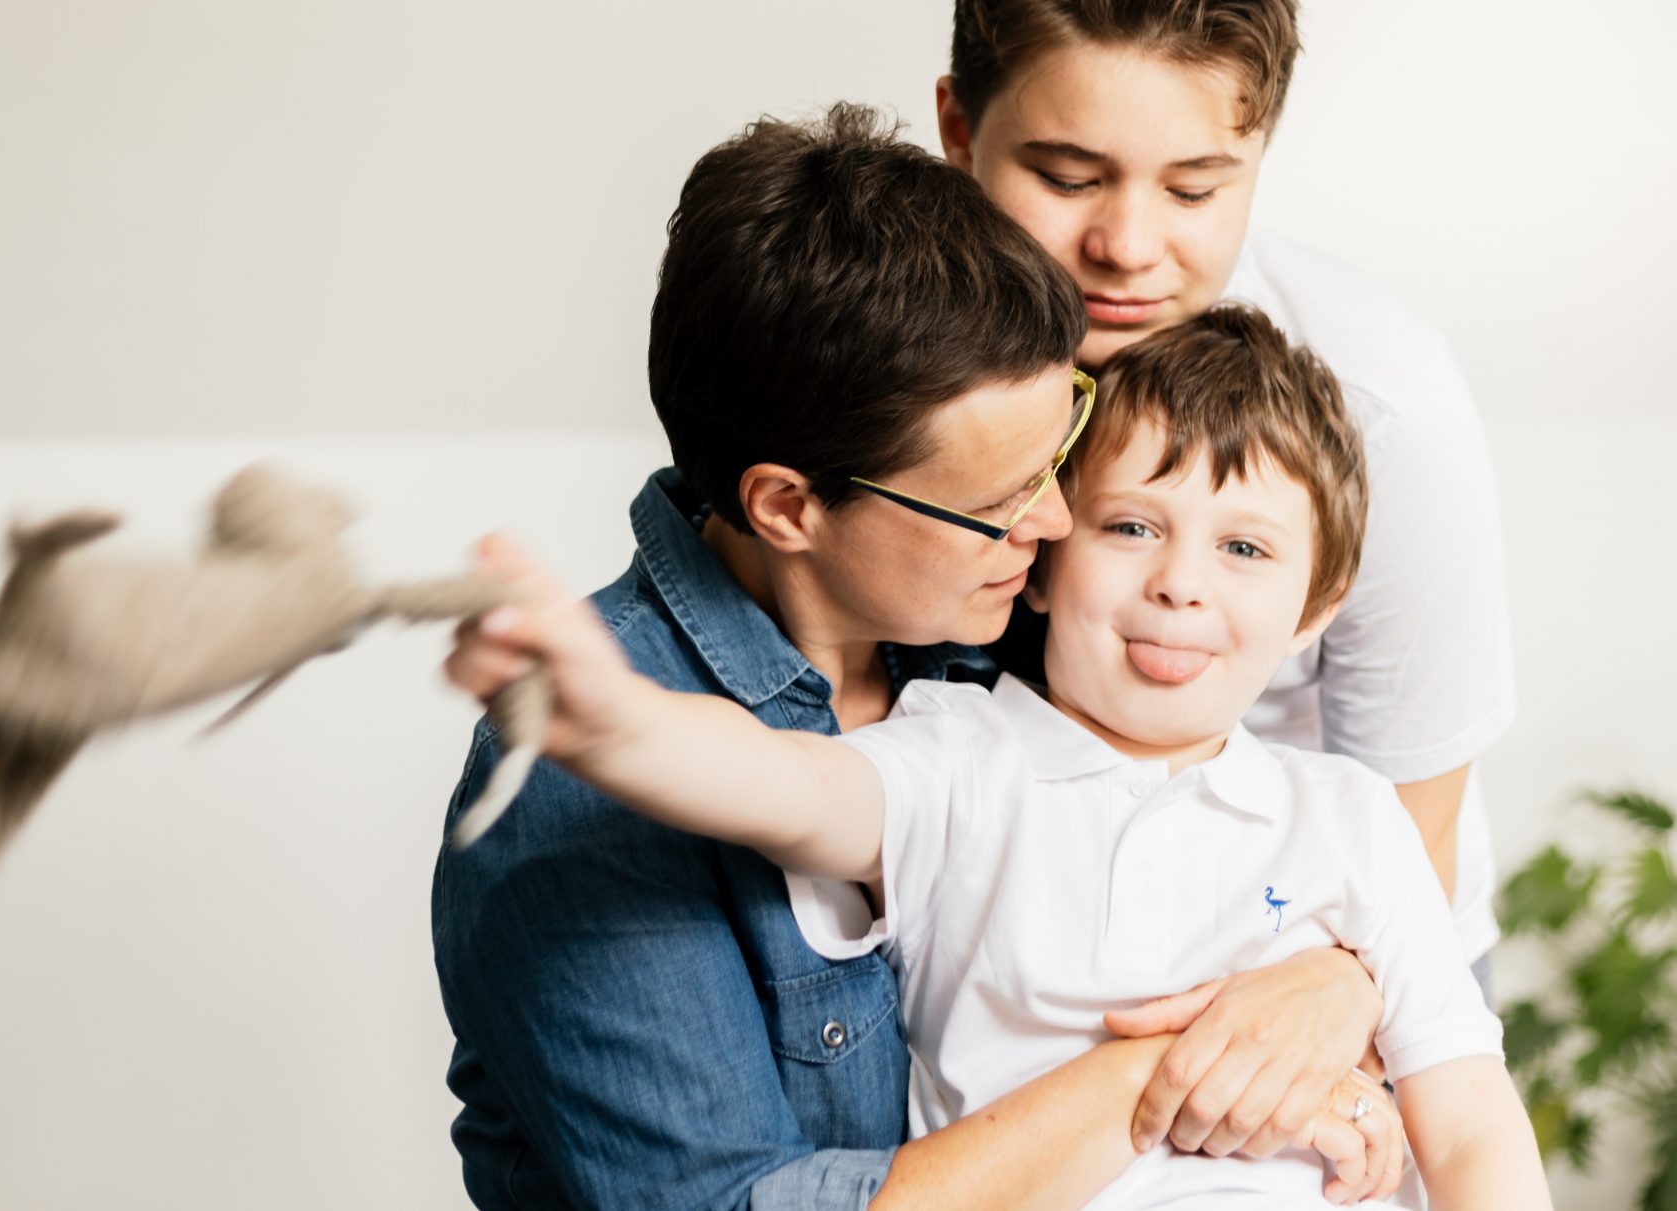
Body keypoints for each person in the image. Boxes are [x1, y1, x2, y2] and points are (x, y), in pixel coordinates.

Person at [430, 106, 1400, 1211]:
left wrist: (1336, 984)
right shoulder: (572, 789)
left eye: (1058, 458)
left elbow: (1249, 858)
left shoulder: (993, 633)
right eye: (998, 499)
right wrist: (1167, 1076)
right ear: (789, 507)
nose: (1055, 527)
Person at [937, 0, 1517, 1001]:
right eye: (1066, 178)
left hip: (1334, 959)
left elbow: (1411, 822)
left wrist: (1336, 1002)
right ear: (958, 131)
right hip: (1022, 956)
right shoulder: (894, 349)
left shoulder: (1382, 404)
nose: (1127, 246)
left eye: (1195, 188)